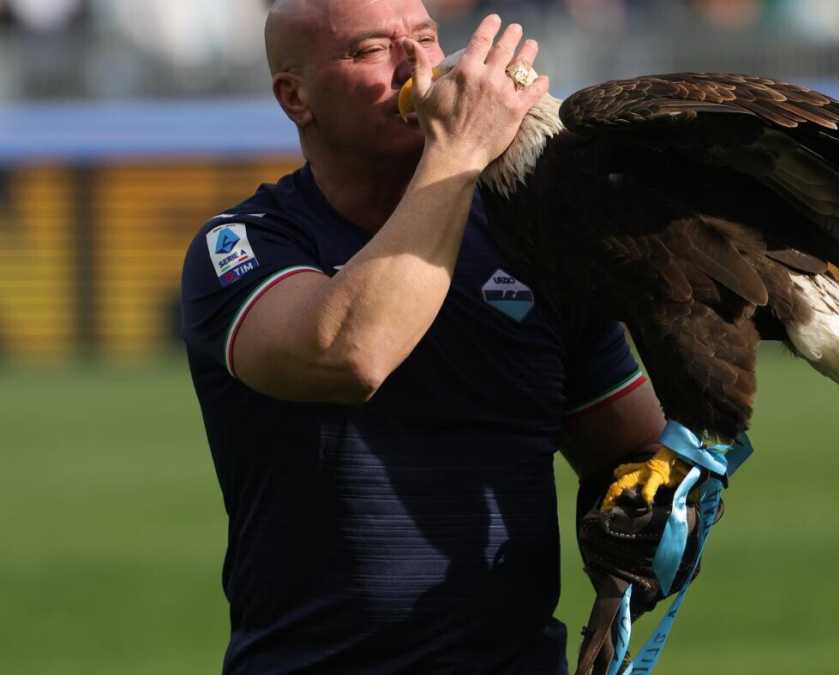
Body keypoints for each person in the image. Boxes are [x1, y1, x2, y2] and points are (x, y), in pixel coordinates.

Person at [179, 1, 668, 672]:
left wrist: (651, 531)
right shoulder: (243, 245)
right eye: (371, 50)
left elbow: (636, 448)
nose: (418, 65)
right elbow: (352, 354)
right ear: (296, 97)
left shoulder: (531, 238)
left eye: (427, 37)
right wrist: (462, 148)